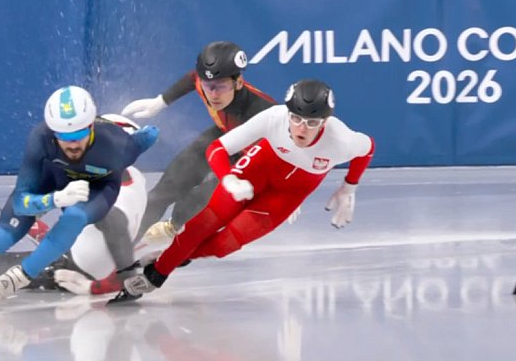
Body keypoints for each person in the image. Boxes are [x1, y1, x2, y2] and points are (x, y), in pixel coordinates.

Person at [113, 79, 375, 301]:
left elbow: (368, 148)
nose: (301, 129)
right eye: (295, 118)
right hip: (258, 170)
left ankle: (168, 255)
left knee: (224, 245)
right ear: (287, 113)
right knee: (202, 224)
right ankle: (154, 277)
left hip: (288, 194)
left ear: (325, 122)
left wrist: (349, 187)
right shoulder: (273, 119)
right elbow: (216, 149)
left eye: (311, 122)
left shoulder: (341, 140)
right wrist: (227, 179)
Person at [0, 86, 159, 308]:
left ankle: (23, 274)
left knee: (75, 217)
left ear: (92, 127)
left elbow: (144, 140)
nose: (73, 145)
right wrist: (53, 200)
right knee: (2, 234)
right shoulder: (39, 139)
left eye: (79, 135)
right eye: (64, 137)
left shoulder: (118, 147)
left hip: (96, 188)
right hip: (53, 181)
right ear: (52, 132)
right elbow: (23, 200)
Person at [0, 115, 169, 296]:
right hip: (88, 250)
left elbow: (115, 224)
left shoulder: (96, 179)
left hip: (79, 265)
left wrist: (102, 284)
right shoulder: (135, 178)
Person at [121, 41, 275, 245]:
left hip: (251, 158)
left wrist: (283, 187)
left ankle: (177, 229)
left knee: (194, 204)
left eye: (221, 86)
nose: (213, 94)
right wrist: (160, 101)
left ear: (239, 82)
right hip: (223, 136)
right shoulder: (204, 83)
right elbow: (193, 78)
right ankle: (121, 249)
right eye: (208, 86)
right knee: (163, 192)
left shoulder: (265, 113)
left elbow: (294, 144)